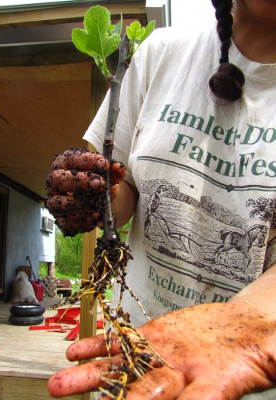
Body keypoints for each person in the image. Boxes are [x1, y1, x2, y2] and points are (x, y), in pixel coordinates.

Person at [47, 0, 276, 398]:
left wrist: (247, 322)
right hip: (136, 356)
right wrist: (92, 196)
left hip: (244, 374)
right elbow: (124, 192)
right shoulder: (160, 53)